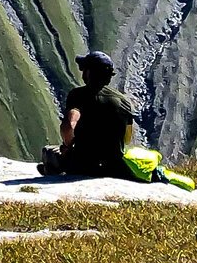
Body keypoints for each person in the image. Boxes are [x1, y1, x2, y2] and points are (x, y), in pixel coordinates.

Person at [38, 50, 135, 178]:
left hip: (84, 165)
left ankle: (54, 170)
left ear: (88, 73)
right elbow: (127, 139)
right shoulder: (124, 101)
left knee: (48, 152)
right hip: (114, 167)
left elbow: (68, 126)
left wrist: (67, 146)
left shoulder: (78, 95)